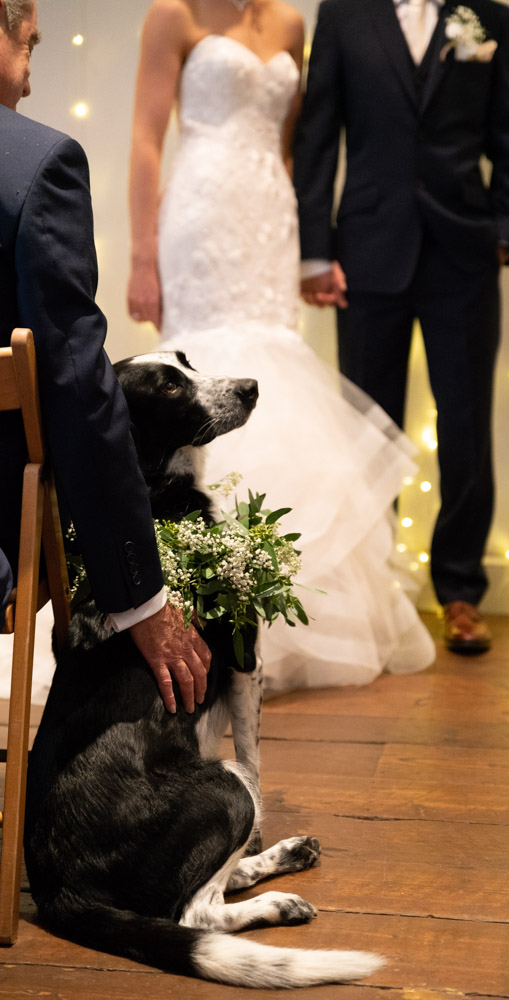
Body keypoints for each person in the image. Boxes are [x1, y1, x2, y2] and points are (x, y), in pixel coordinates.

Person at [127, 0, 435, 694]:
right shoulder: (174, 14)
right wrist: (143, 256)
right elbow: (146, 137)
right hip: (200, 210)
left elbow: (294, 146)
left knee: (278, 363)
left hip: (270, 214)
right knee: (210, 370)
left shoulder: (292, 24)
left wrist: (305, 247)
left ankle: (282, 600)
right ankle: (202, 592)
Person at [293, 0, 509, 653]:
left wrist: (505, 231)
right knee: (369, 428)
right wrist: (314, 251)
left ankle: (460, 589)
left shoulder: (489, 17)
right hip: (368, 249)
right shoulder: (343, 15)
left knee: (466, 425)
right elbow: (317, 136)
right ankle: (376, 589)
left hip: (465, 255)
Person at [0, 0, 211, 714]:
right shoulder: (38, 165)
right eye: (29, 46)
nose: (30, 79)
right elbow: (81, 395)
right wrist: (140, 597)